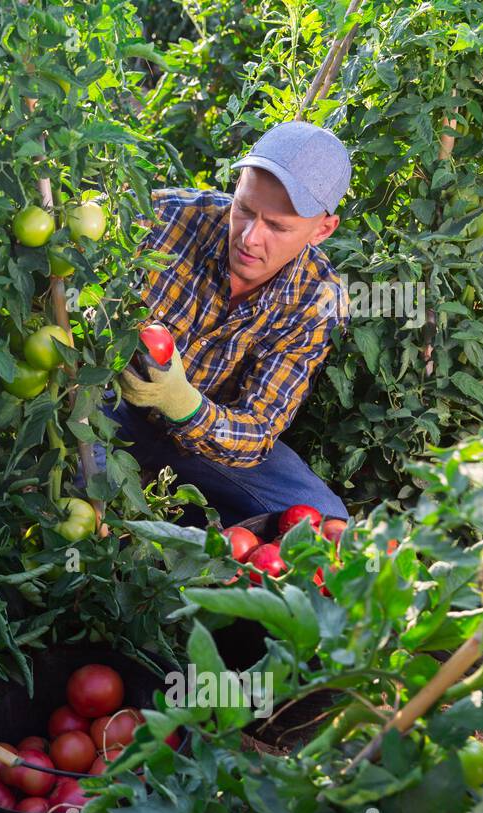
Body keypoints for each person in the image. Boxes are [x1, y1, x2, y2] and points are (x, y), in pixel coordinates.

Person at [104, 120, 353, 527]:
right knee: (81, 506)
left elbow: (259, 427)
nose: (250, 238)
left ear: (322, 230)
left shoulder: (317, 299)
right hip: (109, 407)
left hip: (205, 437)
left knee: (323, 522)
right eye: (244, 209)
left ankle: (226, 558)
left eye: (277, 226)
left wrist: (183, 406)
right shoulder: (162, 220)